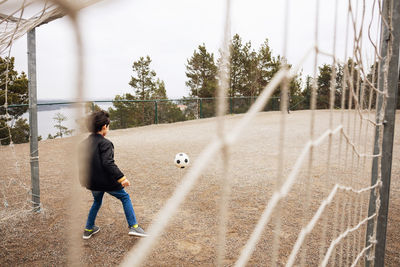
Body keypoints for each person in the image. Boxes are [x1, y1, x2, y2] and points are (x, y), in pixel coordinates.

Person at [80, 110, 148, 239]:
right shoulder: (106, 143)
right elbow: (108, 163)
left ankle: (88, 229)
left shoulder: (83, 144)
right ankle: (134, 227)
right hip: (105, 182)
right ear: (104, 127)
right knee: (125, 197)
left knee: (97, 201)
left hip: (91, 182)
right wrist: (122, 178)